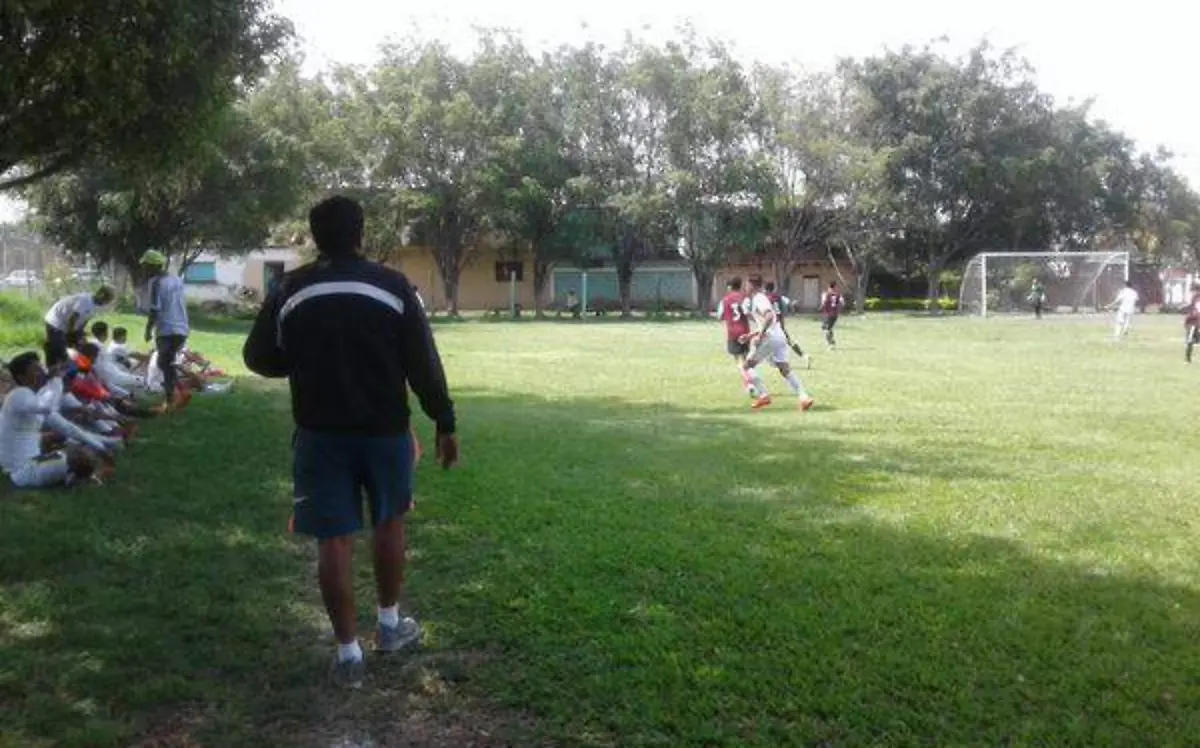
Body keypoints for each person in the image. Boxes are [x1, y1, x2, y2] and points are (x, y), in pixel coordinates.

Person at [243, 195, 459, 688]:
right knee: (389, 523)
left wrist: (299, 361)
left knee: (333, 540)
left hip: (319, 435)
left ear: (315, 236)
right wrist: (444, 421)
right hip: (385, 433)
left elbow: (258, 355)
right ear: (361, 233)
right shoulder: (393, 285)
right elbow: (423, 362)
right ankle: (389, 626)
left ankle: (347, 655)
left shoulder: (291, 287)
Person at [0, 352, 102, 488]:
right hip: (23, 471)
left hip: (33, 462)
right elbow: (44, 407)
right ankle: (76, 478)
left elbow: (67, 428)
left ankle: (73, 477)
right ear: (22, 378)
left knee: (79, 449)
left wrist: (100, 447)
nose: (42, 372)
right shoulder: (19, 395)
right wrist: (56, 381)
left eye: (41, 367)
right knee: (83, 457)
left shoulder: (33, 397)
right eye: (36, 370)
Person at [741, 276, 815, 412]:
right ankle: (804, 397)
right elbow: (768, 321)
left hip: (769, 337)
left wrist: (761, 335)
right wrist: (750, 335)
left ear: (753, 285)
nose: (745, 287)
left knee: (746, 366)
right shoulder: (761, 298)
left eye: (747, 285)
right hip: (779, 335)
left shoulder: (758, 298)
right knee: (784, 369)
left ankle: (763, 395)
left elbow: (769, 317)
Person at [139, 250, 191, 410]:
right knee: (168, 363)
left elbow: (155, 309)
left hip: (166, 329)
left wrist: (148, 329)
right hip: (182, 328)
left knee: (164, 363)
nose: (143, 269)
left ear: (153, 266)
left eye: (145, 266)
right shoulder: (176, 279)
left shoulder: (155, 283)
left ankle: (172, 399)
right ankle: (177, 395)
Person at [43, 287, 114, 367]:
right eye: (107, 301)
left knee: (81, 346)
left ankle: (81, 366)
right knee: (58, 349)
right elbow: (72, 319)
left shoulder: (95, 305)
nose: (106, 304)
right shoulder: (84, 301)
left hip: (67, 324)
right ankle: (54, 368)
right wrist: (71, 335)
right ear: (101, 295)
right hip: (55, 321)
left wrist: (80, 334)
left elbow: (84, 320)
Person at [716, 277, 757, 401]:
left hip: (733, 333)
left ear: (729, 287)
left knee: (739, 362)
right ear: (740, 285)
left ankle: (749, 383)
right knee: (745, 358)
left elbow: (720, 316)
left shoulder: (725, 300)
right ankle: (750, 383)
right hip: (745, 332)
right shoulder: (745, 298)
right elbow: (748, 313)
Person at [764, 281, 809, 367]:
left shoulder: (766, 299)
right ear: (773, 288)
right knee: (788, 340)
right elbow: (787, 305)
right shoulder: (779, 297)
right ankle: (804, 356)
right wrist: (787, 316)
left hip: (772, 324)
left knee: (765, 342)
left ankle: (773, 361)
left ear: (766, 289)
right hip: (780, 322)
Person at [820, 282, 845, 349]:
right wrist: (838, 308)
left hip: (828, 314)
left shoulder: (825, 294)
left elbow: (823, 303)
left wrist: (822, 308)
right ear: (835, 287)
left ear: (829, 287)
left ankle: (831, 343)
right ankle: (831, 342)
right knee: (827, 328)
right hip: (835, 314)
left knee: (826, 329)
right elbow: (843, 303)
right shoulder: (838, 295)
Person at [1185, 283, 1200, 363]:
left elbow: (1197, 311)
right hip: (1192, 322)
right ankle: (1187, 359)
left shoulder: (1197, 298)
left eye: (1192, 291)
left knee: (1190, 340)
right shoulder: (1194, 298)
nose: (1191, 292)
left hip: (1194, 323)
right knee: (1190, 340)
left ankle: (1187, 359)